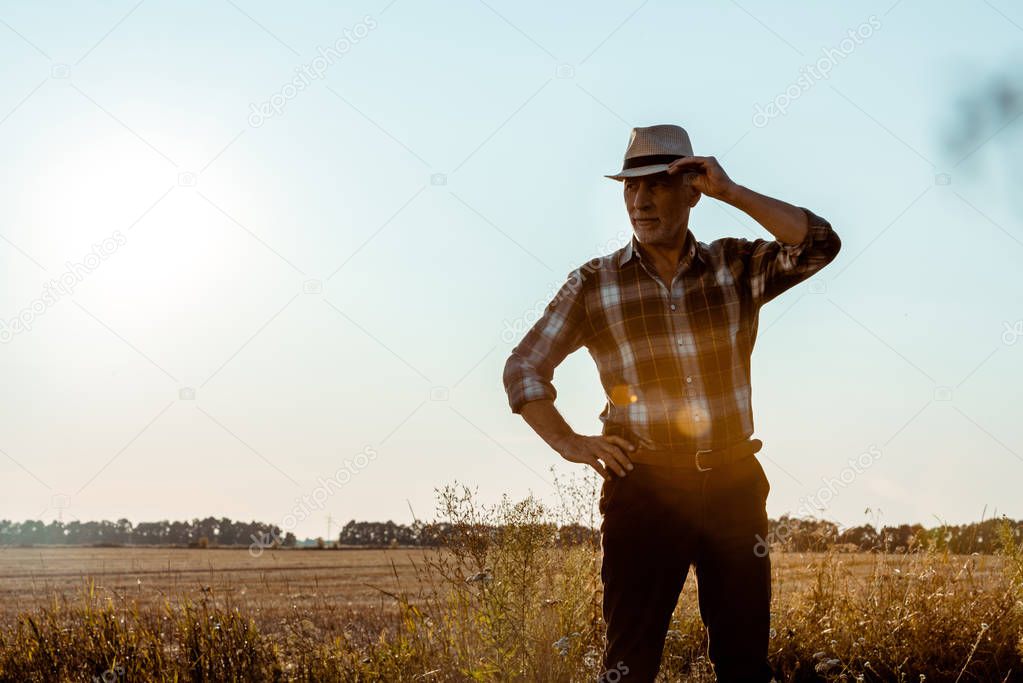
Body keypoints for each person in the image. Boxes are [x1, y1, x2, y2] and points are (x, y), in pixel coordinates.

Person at [502, 124, 841, 682]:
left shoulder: (736, 266)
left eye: (658, 185)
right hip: (644, 489)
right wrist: (569, 442)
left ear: (692, 190)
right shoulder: (594, 283)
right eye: (631, 188)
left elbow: (818, 244)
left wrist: (732, 192)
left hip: (734, 485)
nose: (641, 200)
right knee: (630, 664)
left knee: (744, 662)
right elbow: (524, 366)